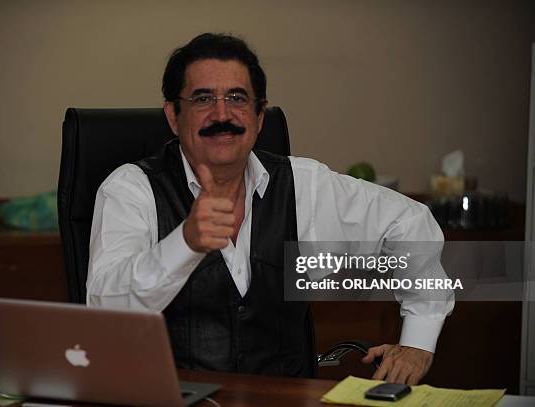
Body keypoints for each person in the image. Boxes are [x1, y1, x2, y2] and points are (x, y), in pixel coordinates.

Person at [87, 33, 454, 384]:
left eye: (237, 98)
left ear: (259, 117)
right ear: (173, 116)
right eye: (202, 99)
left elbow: (410, 224)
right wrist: (184, 242)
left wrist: (418, 341)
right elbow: (104, 313)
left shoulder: (304, 185)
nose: (221, 114)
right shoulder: (131, 189)